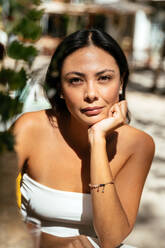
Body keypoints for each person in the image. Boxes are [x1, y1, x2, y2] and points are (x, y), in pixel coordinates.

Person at [13, 29, 155, 248]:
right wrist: (56, 243)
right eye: (76, 80)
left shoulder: (139, 144)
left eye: (104, 78)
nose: (91, 93)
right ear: (59, 88)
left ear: (121, 81)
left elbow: (111, 238)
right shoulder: (30, 128)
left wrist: (97, 140)